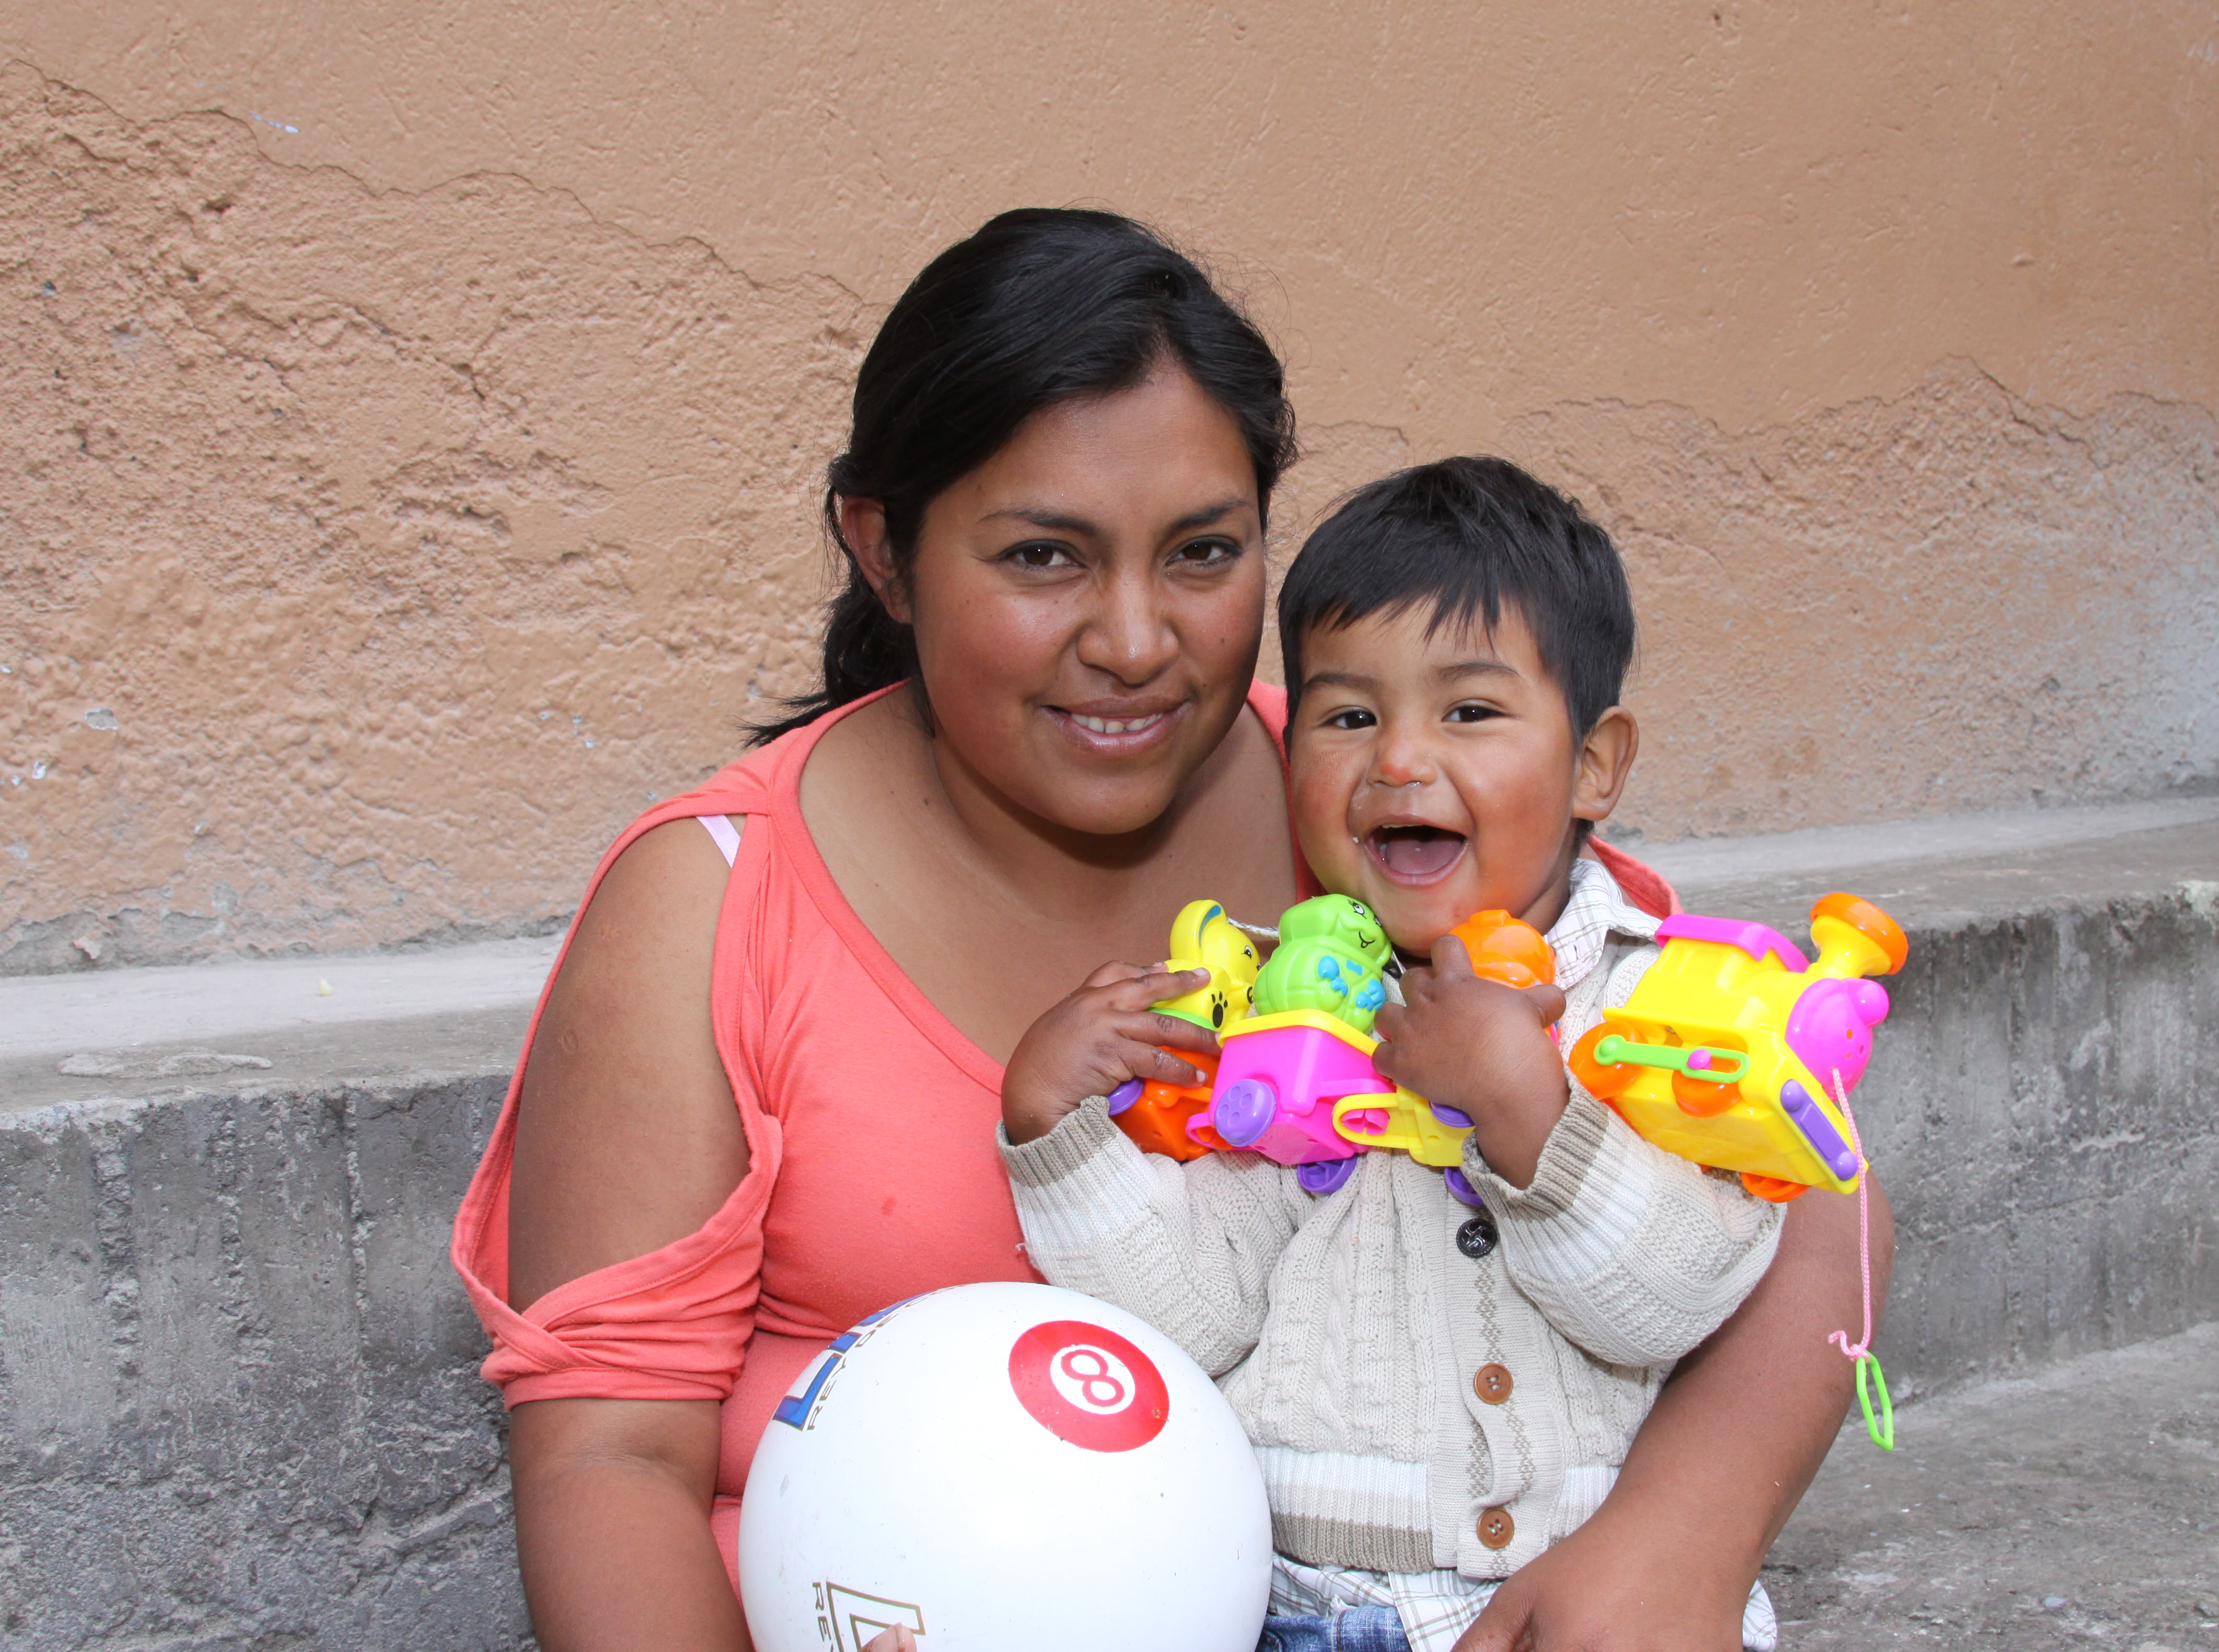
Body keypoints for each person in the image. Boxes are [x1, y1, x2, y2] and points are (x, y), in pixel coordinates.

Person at [452, 208, 1894, 1652]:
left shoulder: (1376, 807)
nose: (1136, 641)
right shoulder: (713, 900)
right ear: (885, 552)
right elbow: (607, 1458)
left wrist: (1681, 1544)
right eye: (1044, 559)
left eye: (1203, 554)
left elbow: (1806, 1178)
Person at [998, 457, 1793, 1652]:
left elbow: (1677, 1303)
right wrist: (1055, 1132)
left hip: (1578, 1608)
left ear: (1595, 764)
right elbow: (1194, 1320)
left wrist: (1530, 1106)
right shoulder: (1285, 1013)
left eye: (1469, 712)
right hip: (1296, 1611)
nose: (1400, 763)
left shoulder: (1654, 1015)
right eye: (1350, 715)